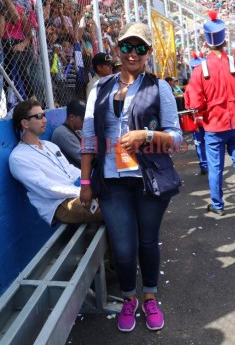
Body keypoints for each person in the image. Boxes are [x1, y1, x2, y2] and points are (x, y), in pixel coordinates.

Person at [80, 22, 182, 332]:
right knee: (123, 248)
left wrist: (145, 134)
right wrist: (85, 182)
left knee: (148, 243)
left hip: (148, 178)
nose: (132, 53)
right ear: (117, 50)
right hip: (111, 180)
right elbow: (87, 137)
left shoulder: (159, 87)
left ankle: (149, 295)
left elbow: (176, 138)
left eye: (140, 47)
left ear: (149, 52)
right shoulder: (100, 87)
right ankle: (129, 297)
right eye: (127, 46)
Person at [184, 11, 235, 225]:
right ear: (224, 40)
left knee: (216, 167)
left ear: (206, 43)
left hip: (214, 125)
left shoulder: (200, 70)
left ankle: (218, 206)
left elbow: (196, 104)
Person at [9, 99, 102, 227]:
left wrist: (92, 182)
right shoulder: (18, 158)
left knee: (117, 196)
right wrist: (81, 190)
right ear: (25, 123)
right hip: (60, 205)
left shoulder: (50, 146)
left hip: (76, 193)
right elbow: (47, 187)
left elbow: (70, 169)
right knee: (110, 207)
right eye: (39, 116)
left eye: (44, 115)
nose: (45, 120)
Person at [51, 99, 86, 168]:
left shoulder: (77, 130)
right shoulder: (62, 133)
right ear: (72, 117)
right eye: (83, 119)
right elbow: (85, 159)